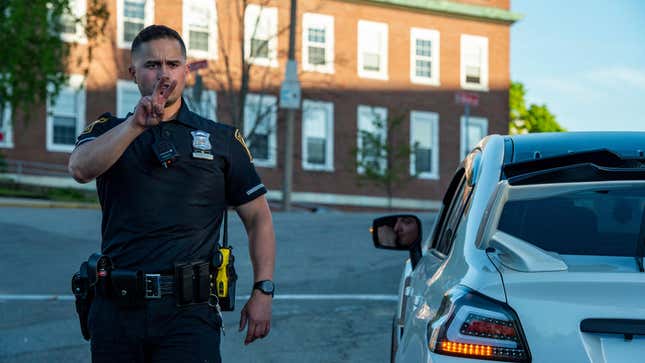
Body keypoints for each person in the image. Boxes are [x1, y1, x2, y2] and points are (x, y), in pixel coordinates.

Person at [68, 25, 276, 363]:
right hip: (117, 310)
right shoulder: (108, 130)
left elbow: (259, 218)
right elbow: (80, 168)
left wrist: (263, 290)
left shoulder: (221, 139)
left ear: (186, 70)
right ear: (133, 72)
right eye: (152, 65)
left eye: (173, 64)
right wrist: (134, 126)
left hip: (189, 315)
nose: (164, 73)